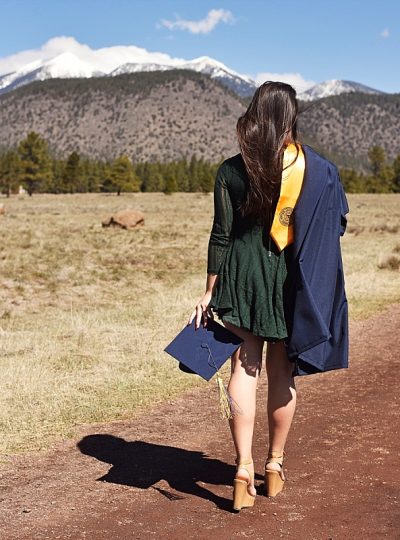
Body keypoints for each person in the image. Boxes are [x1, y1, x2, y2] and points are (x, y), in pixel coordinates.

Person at [188, 81, 349, 512]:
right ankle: (274, 466)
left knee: (245, 363)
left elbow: (220, 236)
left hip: (241, 277)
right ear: (291, 116)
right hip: (289, 279)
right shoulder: (315, 169)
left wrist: (208, 291)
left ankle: (242, 469)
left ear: (254, 115)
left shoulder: (230, 170)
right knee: (283, 372)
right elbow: (334, 224)